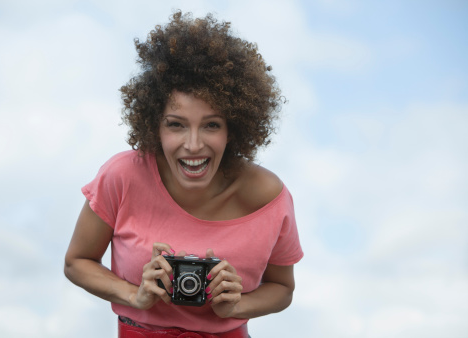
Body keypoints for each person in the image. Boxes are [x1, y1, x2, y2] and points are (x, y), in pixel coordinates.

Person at [64, 10, 303, 338]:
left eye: (211, 125)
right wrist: (135, 295)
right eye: (176, 124)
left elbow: (282, 288)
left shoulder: (268, 198)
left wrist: (236, 305)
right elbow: (76, 262)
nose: (193, 145)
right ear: (154, 125)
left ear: (233, 129)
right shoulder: (122, 176)